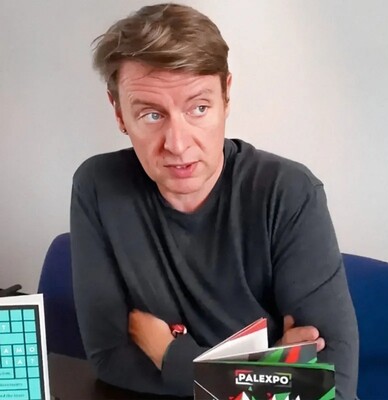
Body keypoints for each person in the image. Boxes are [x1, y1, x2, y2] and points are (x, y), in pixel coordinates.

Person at [70, 3, 358, 398]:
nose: (178, 143)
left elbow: (332, 387)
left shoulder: (289, 192)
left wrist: (169, 353)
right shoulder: (98, 187)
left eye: (199, 108)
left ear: (226, 96)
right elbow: (107, 358)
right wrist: (266, 375)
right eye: (152, 115)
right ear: (119, 113)